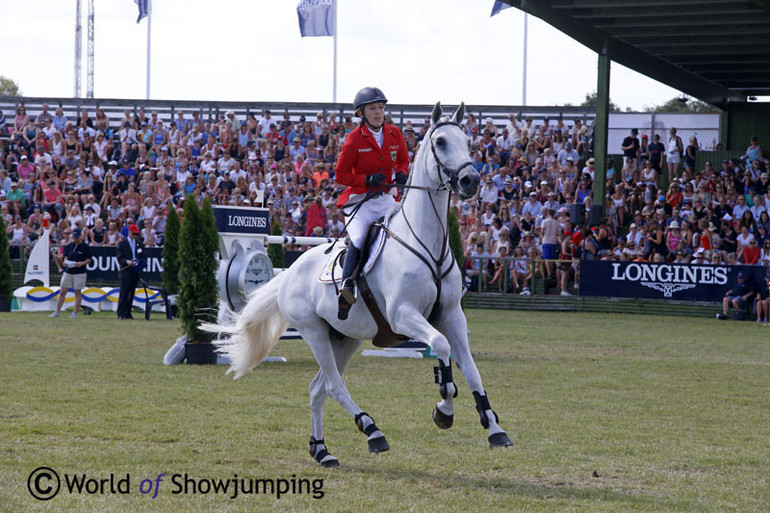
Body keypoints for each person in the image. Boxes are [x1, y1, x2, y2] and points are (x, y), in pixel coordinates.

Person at [333, 87, 409, 319]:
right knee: (358, 238)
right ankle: (347, 287)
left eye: (381, 108)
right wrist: (365, 180)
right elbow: (340, 175)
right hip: (361, 202)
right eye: (372, 108)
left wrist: (402, 173)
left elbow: (404, 160)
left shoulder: (395, 133)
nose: (378, 112)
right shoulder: (355, 139)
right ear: (361, 113)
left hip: (387, 199)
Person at [50, 228, 92, 319]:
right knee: (62, 291)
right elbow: (66, 257)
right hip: (68, 271)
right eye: (74, 237)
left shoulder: (85, 247)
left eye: (77, 237)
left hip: (79, 272)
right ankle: (57, 311)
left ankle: (75, 313)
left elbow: (88, 260)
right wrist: (66, 262)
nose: (75, 239)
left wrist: (82, 263)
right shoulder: (70, 245)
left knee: (77, 291)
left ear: (80, 236)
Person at [116, 223, 144, 320]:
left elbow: (143, 257)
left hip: (135, 271)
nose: (135, 236)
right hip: (126, 270)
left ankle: (128, 313)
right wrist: (128, 262)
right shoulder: (123, 244)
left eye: (136, 234)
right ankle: (121, 313)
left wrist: (138, 260)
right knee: (124, 293)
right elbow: (120, 258)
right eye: (133, 233)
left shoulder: (139, 243)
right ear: (129, 232)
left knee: (131, 293)